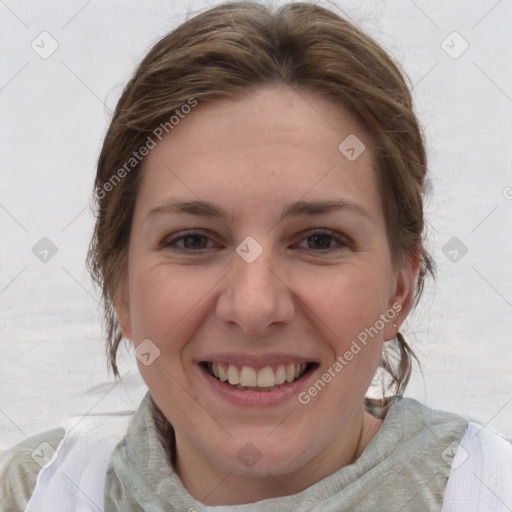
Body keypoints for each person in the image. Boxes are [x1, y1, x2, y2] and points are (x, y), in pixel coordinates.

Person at [1, 1, 511, 511]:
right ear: (120, 288)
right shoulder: (30, 492)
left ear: (399, 287)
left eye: (319, 241)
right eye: (193, 241)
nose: (253, 307)